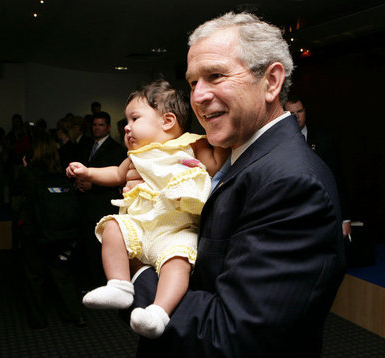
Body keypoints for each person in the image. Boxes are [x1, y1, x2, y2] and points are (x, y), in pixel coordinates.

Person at [126, 12, 346, 357]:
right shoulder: (231, 159)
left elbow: (231, 335)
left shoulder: (293, 183)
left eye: (215, 76)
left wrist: (137, 272)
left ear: (271, 82)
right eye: (193, 82)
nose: (197, 96)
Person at [67, 80, 229, 338]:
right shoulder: (136, 155)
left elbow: (215, 164)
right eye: (126, 121)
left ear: (167, 121)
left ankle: (158, 312)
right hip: (140, 226)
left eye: (134, 118)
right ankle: (119, 285)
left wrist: (221, 141)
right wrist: (88, 172)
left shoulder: (191, 145)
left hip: (175, 229)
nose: (127, 127)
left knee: (177, 263)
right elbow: (116, 174)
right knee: (112, 227)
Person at [13, 133, 85, 329]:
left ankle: (38, 320)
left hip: (34, 232)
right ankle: (75, 315)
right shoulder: (62, 172)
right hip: (61, 233)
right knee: (62, 273)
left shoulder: (29, 173)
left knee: (34, 276)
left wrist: (26, 168)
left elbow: (16, 193)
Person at [284, 96, 352, 238]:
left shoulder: (324, 141)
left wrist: (345, 218)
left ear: (305, 111)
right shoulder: (277, 143)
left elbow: (336, 179)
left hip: (322, 214)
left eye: (300, 112)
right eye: (291, 114)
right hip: (290, 216)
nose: (296, 117)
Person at [76, 111, 127, 288]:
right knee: (88, 246)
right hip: (86, 204)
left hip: (103, 204)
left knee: (101, 247)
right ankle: (90, 282)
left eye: (101, 125)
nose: (96, 128)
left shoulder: (117, 149)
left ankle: (103, 284)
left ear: (108, 127)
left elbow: (118, 177)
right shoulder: (87, 145)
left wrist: (93, 185)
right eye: (94, 125)